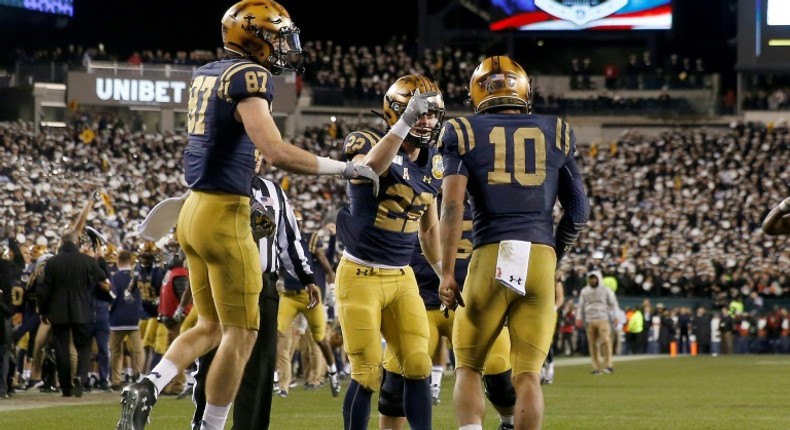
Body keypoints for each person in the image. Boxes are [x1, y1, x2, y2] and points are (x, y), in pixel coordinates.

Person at [116, 1, 377, 429]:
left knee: (211, 325)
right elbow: (275, 152)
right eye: (275, 36)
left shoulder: (207, 73)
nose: (280, 46)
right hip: (224, 212)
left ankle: (149, 383)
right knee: (243, 333)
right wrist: (345, 167)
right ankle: (211, 425)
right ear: (251, 36)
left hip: (193, 209)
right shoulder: (248, 76)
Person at [438, 55, 590, 430]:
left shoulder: (463, 130)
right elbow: (578, 211)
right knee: (527, 375)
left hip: (490, 252)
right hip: (539, 254)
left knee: (469, 366)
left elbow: (453, 205)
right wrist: (554, 252)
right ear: (523, 89)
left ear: (478, 92)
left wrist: (445, 272)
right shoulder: (556, 129)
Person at [335, 74, 444, 430]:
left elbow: (429, 228)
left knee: (418, 364)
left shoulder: (434, 163)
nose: (426, 121)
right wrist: (403, 123)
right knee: (367, 372)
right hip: (361, 274)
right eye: (419, 113)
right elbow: (369, 170)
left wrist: (445, 274)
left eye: (431, 114)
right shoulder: (367, 139)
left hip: (402, 277)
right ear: (396, 111)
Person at [191, 162, 332, 429]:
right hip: (223, 282)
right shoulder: (213, 184)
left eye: (257, 150)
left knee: (260, 364)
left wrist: (307, 278)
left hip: (263, 283)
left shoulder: (273, 191)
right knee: (212, 356)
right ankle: (204, 423)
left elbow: (289, 239)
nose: (253, 156)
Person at [378, 195, 517, 430]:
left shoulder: (490, 199)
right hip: (417, 303)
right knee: (394, 389)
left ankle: (509, 424)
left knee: (501, 380)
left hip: (472, 304)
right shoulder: (415, 194)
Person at [37, 229, 111, 398]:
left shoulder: (52, 262)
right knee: (84, 347)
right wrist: (100, 259)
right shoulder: (87, 261)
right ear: (77, 242)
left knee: (61, 349)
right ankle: (81, 377)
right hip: (83, 310)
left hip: (58, 312)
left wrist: (43, 311)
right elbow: (102, 279)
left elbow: (43, 290)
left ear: (62, 243)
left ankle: (65, 387)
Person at [578, 271, 619, 375]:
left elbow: (613, 303)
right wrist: (579, 318)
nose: (593, 280)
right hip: (589, 319)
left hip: (602, 318)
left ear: (598, 279)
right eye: (591, 278)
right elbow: (581, 306)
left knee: (605, 341)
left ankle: (608, 365)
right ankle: (595, 367)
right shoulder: (584, 291)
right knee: (592, 344)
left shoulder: (606, 290)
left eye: (594, 278)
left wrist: (616, 316)